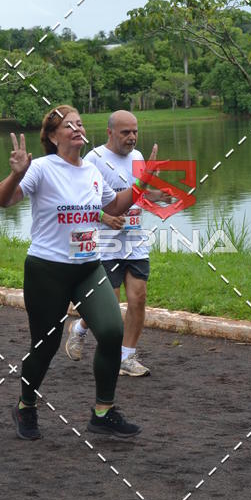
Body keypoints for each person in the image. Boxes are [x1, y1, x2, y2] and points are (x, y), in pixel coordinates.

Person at [0, 104, 156, 441]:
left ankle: (103, 413)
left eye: (80, 123)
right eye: (69, 125)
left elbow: (114, 205)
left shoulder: (92, 172)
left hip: (88, 269)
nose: (78, 128)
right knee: (46, 346)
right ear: (53, 136)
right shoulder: (41, 168)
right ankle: (25, 406)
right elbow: (1, 200)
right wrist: (16, 174)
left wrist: (142, 183)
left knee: (111, 331)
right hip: (47, 271)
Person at [65, 110, 166, 377]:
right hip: (103, 243)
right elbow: (79, 202)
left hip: (134, 240)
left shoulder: (138, 157)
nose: (132, 137)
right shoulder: (93, 160)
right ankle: (80, 328)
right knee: (109, 303)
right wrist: (106, 218)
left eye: (135, 132)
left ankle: (127, 357)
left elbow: (138, 194)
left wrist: (158, 196)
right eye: (125, 132)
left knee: (138, 298)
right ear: (110, 132)